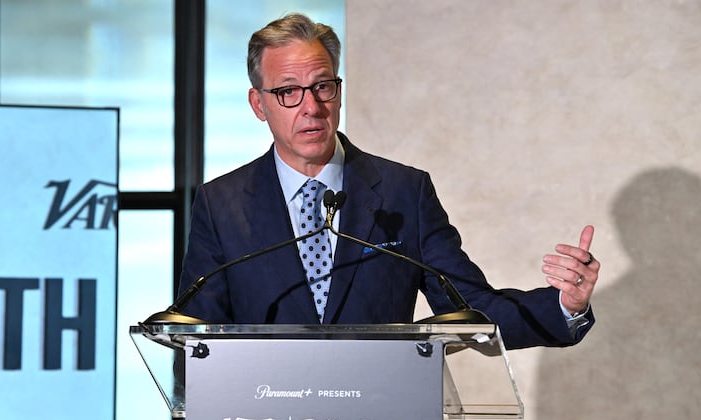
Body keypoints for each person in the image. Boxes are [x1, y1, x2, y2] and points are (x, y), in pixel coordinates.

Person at [176, 13, 599, 350]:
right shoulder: (221, 203)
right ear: (258, 104)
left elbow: (470, 309)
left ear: (338, 91)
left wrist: (564, 305)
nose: (311, 107)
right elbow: (195, 333)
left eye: (322, 86)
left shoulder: (403, 193)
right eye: (289, 91)